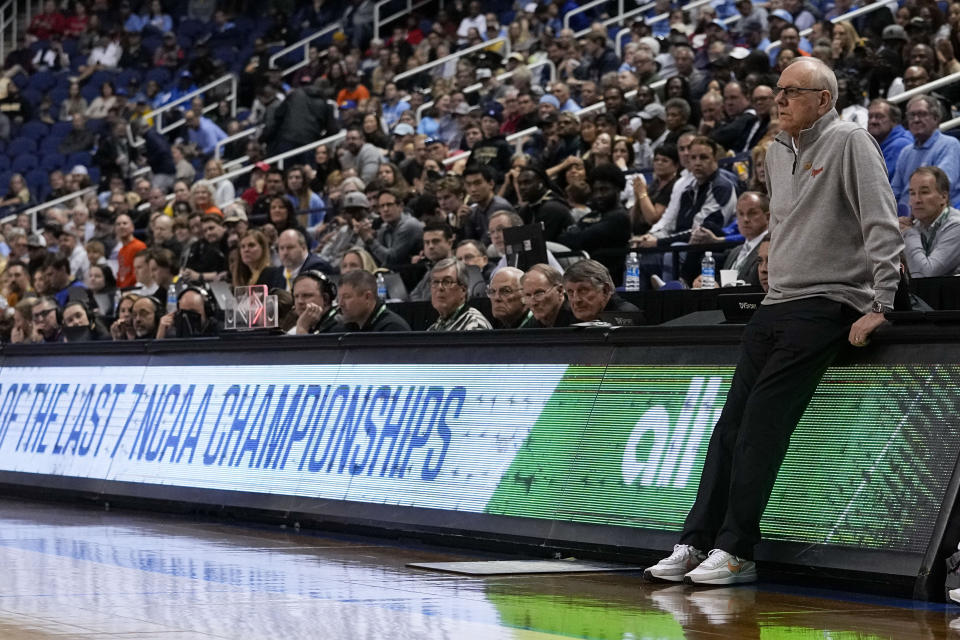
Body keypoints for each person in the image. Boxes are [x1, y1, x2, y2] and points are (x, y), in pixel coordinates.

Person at [644, 58, 903, 586]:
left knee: (761, 426)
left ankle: (737, 551)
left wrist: (882, 303)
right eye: (777, 92)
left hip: (829, 300)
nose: (778, 101)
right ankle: (695, 541)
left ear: (824, 100)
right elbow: (783, 228)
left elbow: (880, 218)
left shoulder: (851, 142)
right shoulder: (775, 151)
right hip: (776, 302)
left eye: (791, 92)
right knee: (729, 427)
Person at [890, 96, 960, 209]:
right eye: (911, 115)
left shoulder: (949, 145)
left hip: (938, 216)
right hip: (906, 218)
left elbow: (941, 187)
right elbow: (894, 192)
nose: (916, 119)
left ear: (936, 118)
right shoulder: (906, 152)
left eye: (922, 114)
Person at [900, 167, 960, 277]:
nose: (917, 200)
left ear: (944, 197)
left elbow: (924, 275)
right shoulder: (915, 225)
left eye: (924, 192)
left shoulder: (956, 226)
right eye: (912, 193)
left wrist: (908, 233)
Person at [357, 188, 424, 268]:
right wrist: (370, 236)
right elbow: (376, 259)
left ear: (400, 206)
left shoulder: (409, 225)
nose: (385, 209)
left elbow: (391, 260)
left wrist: (369, 240)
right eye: (382, 206)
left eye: (389, 205)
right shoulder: (385, 227)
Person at [562, 259, 640, 323]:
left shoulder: (624, 316)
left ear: (605, 290)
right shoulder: (569, 319)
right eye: (570, 292)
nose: (576, 300)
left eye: (583, 291)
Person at [426, 258, 492, 331]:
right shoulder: (433, 328)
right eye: (435, 282)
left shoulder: (475, 325)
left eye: (447, 282)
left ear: (463, 290)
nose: (439, 287)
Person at [337, 270, 411, 332]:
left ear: (367, 297)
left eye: (347, 297)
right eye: (339, 298)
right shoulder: (351, 328)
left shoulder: (392, 329)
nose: (340, 304)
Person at [867, 99, 913, 180]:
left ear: (894, 120)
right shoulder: (879, 142)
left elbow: (878, 181)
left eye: (879, 116)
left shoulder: (901, 143)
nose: (873, 121)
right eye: (870, 117)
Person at [519, 263, 576, 328]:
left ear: (560, 291)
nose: (533, 303)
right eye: (528, 295)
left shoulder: (579, 318)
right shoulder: (530, 327)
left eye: (539, 293)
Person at [290, 270, 341, 335]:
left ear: (325, 299)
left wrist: (302, 328)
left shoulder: (337, 328)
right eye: (296, 296)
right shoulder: (306, 324)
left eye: (306, 295)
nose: (299, 301)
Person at [114, 213, 146, 289]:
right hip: (122, 289)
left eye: (125, 223)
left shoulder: (139, 246)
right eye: (118, 224)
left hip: (135, 289)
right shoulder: (121, 250)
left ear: (132, 227)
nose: (121, 226)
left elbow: (141, 271)